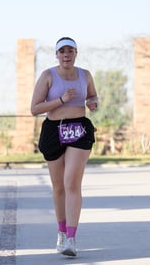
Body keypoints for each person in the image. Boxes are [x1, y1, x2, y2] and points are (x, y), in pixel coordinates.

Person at [30, 37, 98, 257]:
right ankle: (61, 232)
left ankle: (71, 238)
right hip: (54, 130)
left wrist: (92, 103)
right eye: (62, 51)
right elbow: (35, 108)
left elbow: (93, 95)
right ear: (57, 54)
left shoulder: (85, 75)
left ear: (76, 53)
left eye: (70, 51)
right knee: (58, 186)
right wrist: (61, 99)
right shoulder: (48, 75)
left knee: (71, 182)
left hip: (78, 129)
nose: (66, 55)